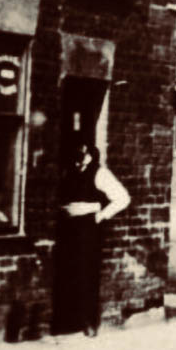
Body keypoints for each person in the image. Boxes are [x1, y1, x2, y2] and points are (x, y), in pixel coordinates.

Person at [52, 142, 130, 337]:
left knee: (86, 272)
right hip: (68, 227)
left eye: (83, 153)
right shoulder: (68, 171)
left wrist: (100, 216)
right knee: (67, 271)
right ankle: (66, 320)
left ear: (90, 155)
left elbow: (122, 198)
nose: (79, 158)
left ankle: (88, 321)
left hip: (87, 228)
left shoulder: (100, 173)